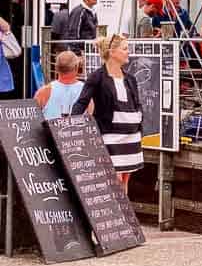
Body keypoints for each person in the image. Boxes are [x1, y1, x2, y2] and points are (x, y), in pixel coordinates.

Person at [73, 34, 144, 188]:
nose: (128, 52)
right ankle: (116, 211)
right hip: (109, 135)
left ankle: (123, 212)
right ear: (112, 52)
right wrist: (69, 126)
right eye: (124, 49)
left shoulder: (130, 78)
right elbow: (81, 102)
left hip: (131, 136)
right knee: (115, 180)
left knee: (124, 181)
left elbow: (136, 104)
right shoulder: (97, 77)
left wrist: (139, 123)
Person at [36, 50, 85, 118]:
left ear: (56, 68)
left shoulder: (44, 92)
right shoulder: (86, 91)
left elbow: (33, 120)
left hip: (50, 128)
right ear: (76, 67)